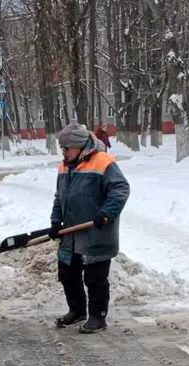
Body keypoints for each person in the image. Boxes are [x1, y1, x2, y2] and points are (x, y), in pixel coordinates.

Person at [50, 123, 130, 333]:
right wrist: (55, 221)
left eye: (66, 148)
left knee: (95, 278)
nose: (63, 153)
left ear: (79, 146)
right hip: (71, 233)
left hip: (96, 232)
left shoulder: (103, 162)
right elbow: (60, 196)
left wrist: (106, 213)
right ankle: (77, 311)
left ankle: (97, 317)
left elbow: (120, 189)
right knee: (67, 273)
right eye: (62, 149)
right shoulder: (65, 165)